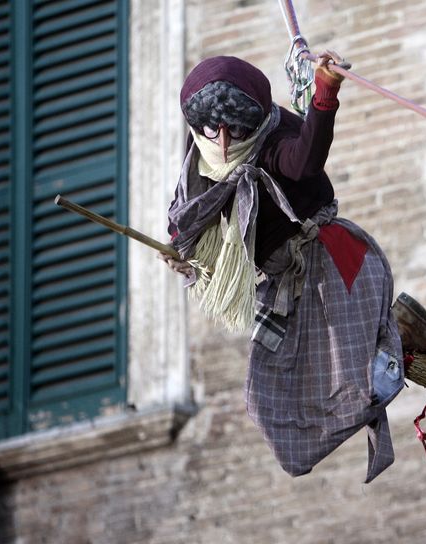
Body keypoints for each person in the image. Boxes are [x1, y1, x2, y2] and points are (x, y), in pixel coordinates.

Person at [161, 52, 405, 483]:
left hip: (330, 266)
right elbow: (191, 215)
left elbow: (304, 160)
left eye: (235, 127)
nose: (222, 142)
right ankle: (396, 343)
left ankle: (397, 346)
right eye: (212, 128)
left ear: (253, 121)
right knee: (265, 401)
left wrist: (324, 94)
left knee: (353, 384)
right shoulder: (200, 155)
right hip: (282, 285)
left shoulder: (275, 138)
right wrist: (180, 252)